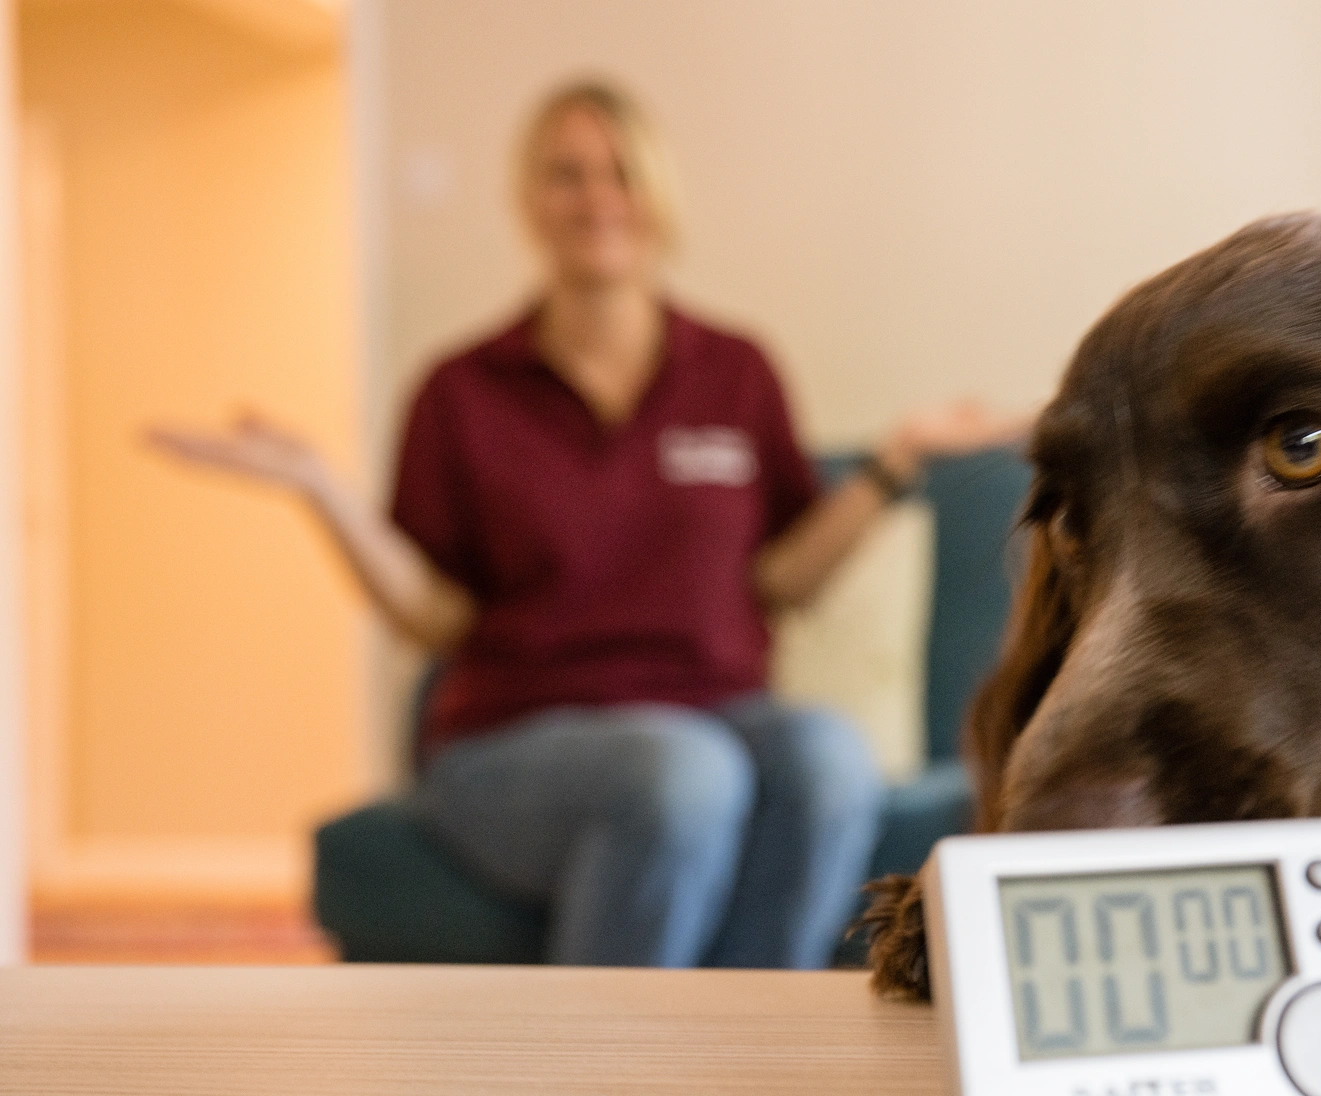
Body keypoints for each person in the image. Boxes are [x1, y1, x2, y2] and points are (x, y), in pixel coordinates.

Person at [150, 79, 1026, 969]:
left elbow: (783, 581)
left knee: (830, 755)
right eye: (567, 174)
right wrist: (321, 488)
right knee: (681, 772)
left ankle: (750, 1041)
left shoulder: (736, 371)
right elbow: (434, 618)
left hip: (719, 716)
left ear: (659, 195)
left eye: (622, 171)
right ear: (529, 200)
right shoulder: (461, 390)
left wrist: (897, 460)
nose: (597, 196)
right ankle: (605, 1072)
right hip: (516, 741)